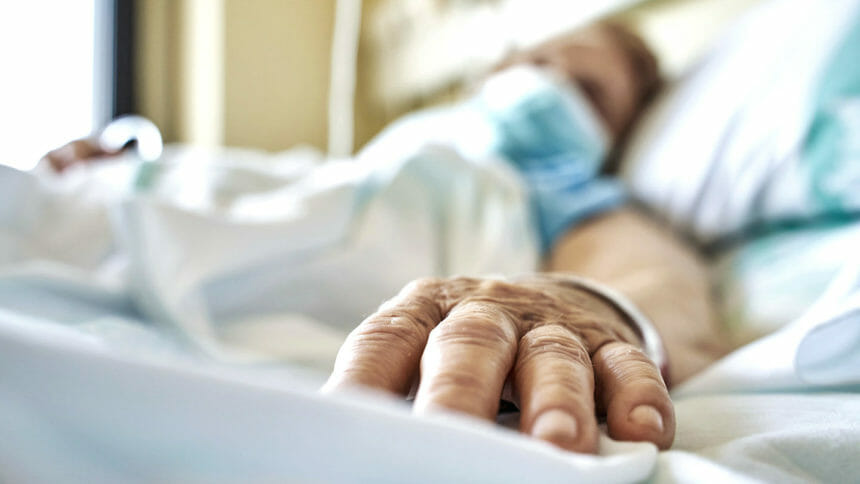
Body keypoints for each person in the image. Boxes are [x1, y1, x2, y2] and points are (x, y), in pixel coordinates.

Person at [40, 21, 730, 454]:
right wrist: (139, 169)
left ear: (616, 141)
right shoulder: (383, 155)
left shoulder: (563, 192)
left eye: (588, 90)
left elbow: (654, 284)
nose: (545, 85)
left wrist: (581, 307)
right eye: (537, 62)